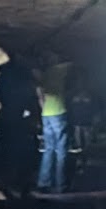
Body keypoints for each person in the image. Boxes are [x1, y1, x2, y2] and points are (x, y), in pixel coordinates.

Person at [34, 57, 70, 194]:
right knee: (61, 150)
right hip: (58, 111)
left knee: (48, 149)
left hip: (46, 114)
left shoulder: (41, 76)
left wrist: (43, 110)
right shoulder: (59, 70)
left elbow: (40, 95)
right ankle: (60, 185)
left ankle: (44, 182)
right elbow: (73, 64)